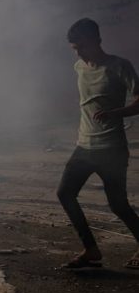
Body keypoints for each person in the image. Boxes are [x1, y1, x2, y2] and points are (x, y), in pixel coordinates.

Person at [57, 18, 139, 269]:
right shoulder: (78, 67)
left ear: (95, 40)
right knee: (65, 193)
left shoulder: (119, 66)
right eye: (75, 49)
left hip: (111, 149)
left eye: (81, 46)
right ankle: (91, 250)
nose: (79, 52)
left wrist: (116, 112)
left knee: (118, 204)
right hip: (85, 146)